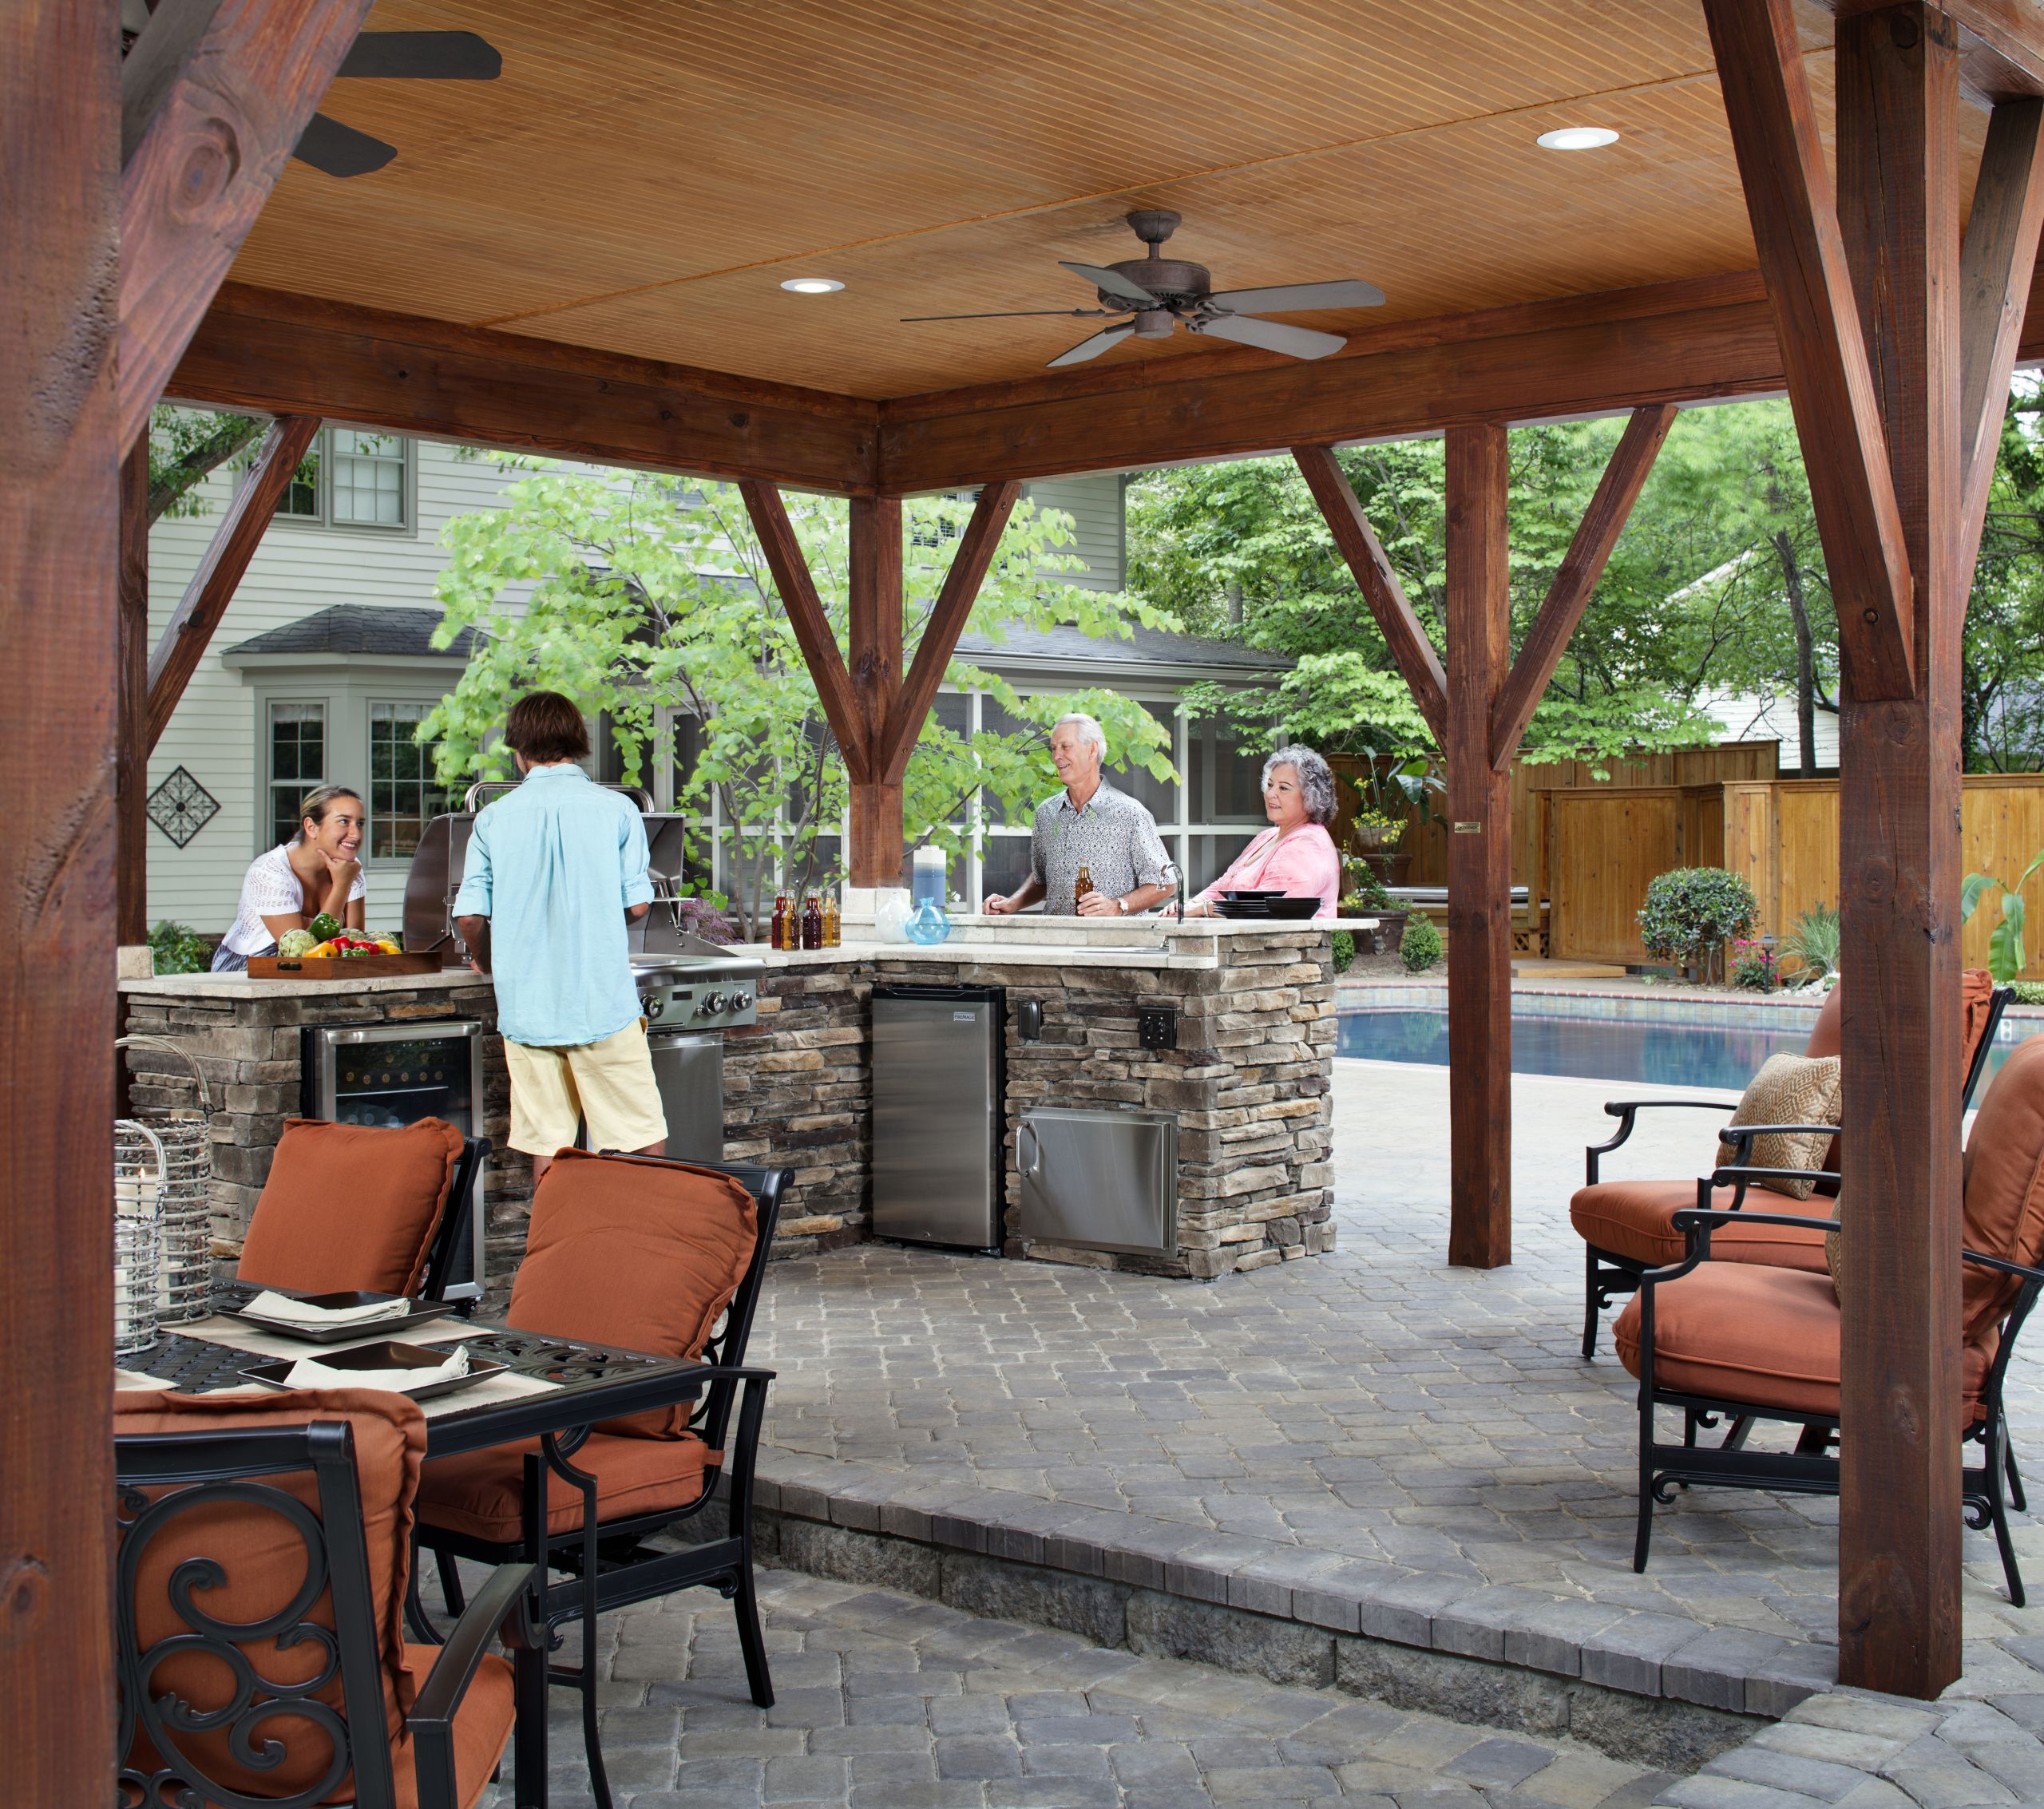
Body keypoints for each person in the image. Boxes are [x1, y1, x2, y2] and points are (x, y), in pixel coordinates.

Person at [453, 691, 666, 1186]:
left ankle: (557, 1254)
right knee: (640, 1131)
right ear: (577, 743)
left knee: (551, 1140)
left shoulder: (491, 818)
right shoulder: (617, 810)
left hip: (527, 1007)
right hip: (602, 1002)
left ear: (518, 750)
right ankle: (647, 1243)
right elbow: (637, 905)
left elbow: (469, 918)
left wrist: (485, 959)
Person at [984, 712, 1175, 918]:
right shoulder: (1046, 813)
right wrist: (1011, 904)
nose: (1057, 756)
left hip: (1114, 945)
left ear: (1092, 750)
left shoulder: (1130, 813)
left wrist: (1117, 906)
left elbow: (1165, 883)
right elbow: (1041, 880)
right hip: (1057, 941)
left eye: (1065, 747)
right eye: (1054, 748)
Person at [212, 785, 368, 972]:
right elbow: (303, 954)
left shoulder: (350, 868)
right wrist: (342, 885)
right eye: (344, 822)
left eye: (360, 823)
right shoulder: (269, 871)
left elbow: (354, 943)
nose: (356, 834)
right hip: (248, 967)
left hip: (320, 968)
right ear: (311, 827)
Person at [1186, 745, 1342, 919]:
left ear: (1311, 797)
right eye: (1270, 785)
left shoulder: (1306, 845)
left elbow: (1267, 907)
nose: (1270, 794)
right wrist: (1188, 906)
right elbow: (1223, 884)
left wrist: (1204, 908)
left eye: (1283, 788)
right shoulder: (1267, 836)